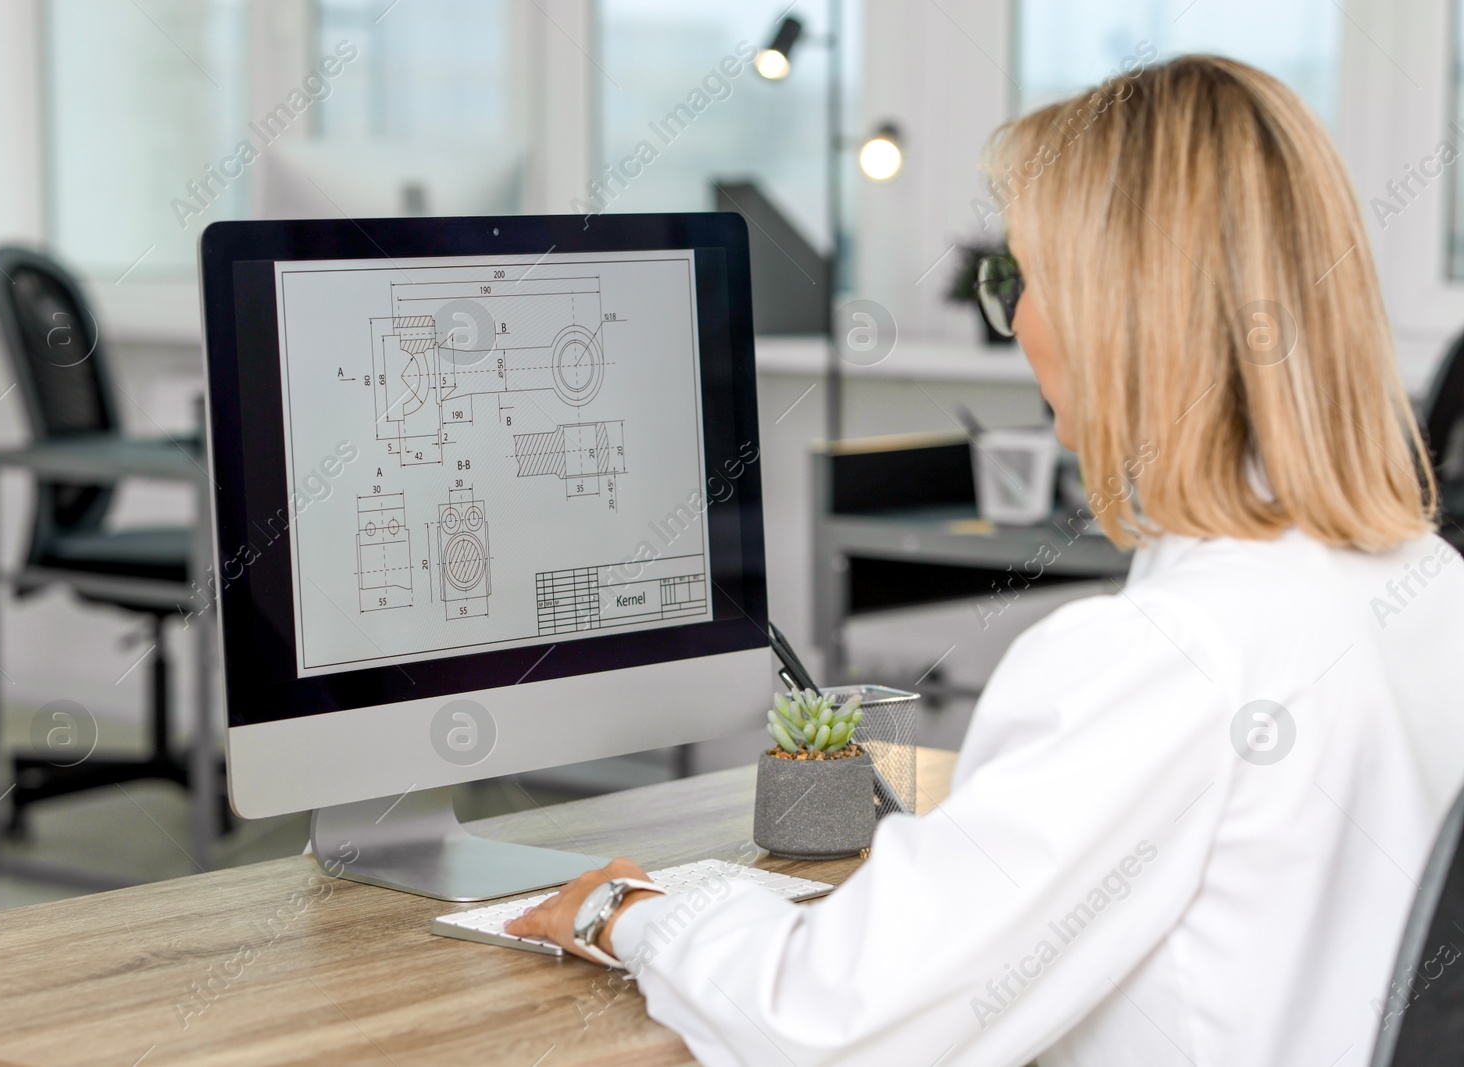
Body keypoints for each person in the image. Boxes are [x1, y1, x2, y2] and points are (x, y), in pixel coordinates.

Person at [508, 55, 1464, 1065]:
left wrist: (634, 909)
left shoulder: (1168, 656)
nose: (1019, 328)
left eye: (1026, 282)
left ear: (1120, 314)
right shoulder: (1428, 590)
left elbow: (833, 1025)